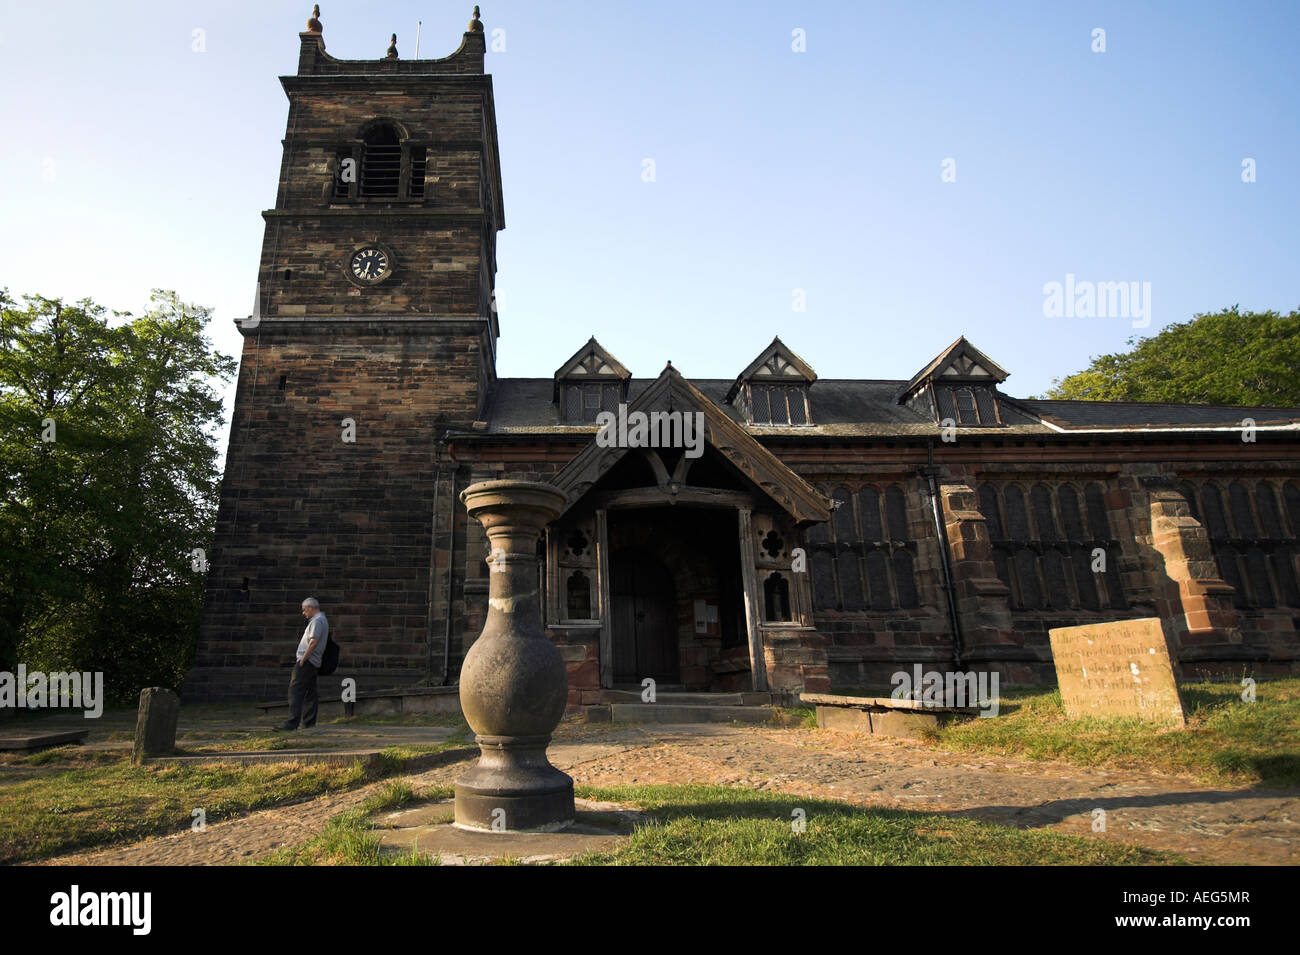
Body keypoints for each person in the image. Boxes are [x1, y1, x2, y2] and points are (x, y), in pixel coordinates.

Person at [278, 597, 328, 730]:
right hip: (313, 662)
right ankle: (308, 723)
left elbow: (313, 642)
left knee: (295, 691)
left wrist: (303, 659)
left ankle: (291, 723)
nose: (303, 613)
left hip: (307, 661)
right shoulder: (322, 620)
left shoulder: (317, 621)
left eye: (304, 610)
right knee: (310, 693)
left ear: (311, 608)